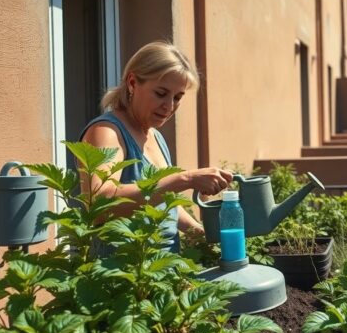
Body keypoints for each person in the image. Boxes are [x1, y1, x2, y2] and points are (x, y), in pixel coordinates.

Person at [80, 41, 233, 253]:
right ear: (133, 83)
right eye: (161, 93)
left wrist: (197, 232)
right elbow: (99, 205)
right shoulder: (107, 131)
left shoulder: (155, 136)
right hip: (124, 277)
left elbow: (161, 201)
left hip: (161, 276)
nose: (169, 106)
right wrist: (185, 179)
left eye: (178, 97)